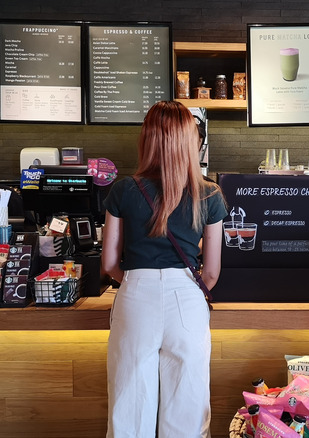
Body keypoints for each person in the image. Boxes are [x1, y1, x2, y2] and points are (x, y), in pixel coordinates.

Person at [101, 100, 228, 438]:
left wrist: (138, 282)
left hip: (135, 296)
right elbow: (211, 272)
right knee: (187, 406)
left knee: (129, 406)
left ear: (147, 140)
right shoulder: (210, 194)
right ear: (191, 141)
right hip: (187, 297)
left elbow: (110, 264)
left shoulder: (123, 190)